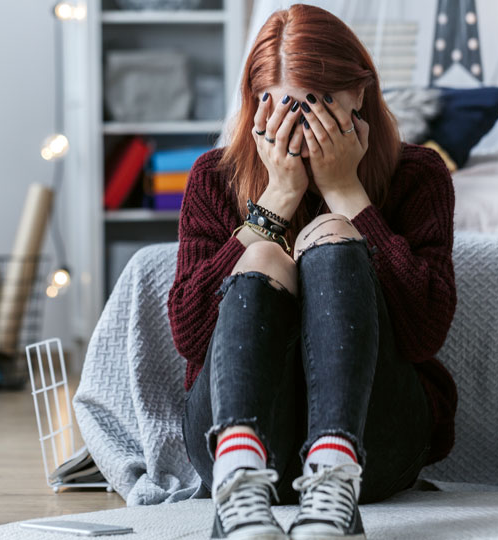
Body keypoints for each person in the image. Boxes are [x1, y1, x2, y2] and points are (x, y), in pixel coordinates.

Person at [167, 5, 458, 539]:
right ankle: (239, 478)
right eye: (282, 108)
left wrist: (348, 196)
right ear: (255, 108)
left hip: (373, 446)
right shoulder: (214, 178)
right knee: (263, 256)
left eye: (319, 106)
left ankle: (333, 478)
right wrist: (273, 204)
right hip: (237, 443)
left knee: (331, 239)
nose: (301, 127)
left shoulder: (419, 174)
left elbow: (424, 335)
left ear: (358, 94)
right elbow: (188, 335)